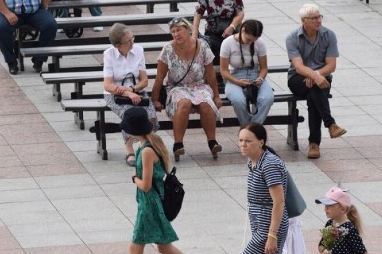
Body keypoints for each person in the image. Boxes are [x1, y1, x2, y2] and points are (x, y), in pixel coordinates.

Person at [98, 106, 211, 254]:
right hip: (148, 205)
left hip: (149, 206)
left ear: (133, 129)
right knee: (164, 248)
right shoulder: (146, 145)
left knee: (137, 248)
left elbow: (147, 185)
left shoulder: (147, 151)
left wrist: (134, 179)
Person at [233, 123, 295, 254]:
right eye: (241, 140)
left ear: (261, 142)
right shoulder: (253, 161)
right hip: (261, 222)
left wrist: (272, 235)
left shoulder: (269, 165)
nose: (243, 144)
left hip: (269, 225)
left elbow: (279, 202)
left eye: (248, 141)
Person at [151, 17, 223, 161]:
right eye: (173, 31)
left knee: (206, 104)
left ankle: (212, 142)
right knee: (184, 103)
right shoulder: (168, 49)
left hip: (199, 85)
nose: (176, 34)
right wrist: (155, 99)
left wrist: (216, 96)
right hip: (177, 87)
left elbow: (210, 74)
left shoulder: (202, 46)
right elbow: (159, 77)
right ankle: (178, 144)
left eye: (179, 30)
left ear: (188, 30)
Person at [286, 4, 347, 159]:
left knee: (315, 92)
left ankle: (314, 144)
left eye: (319, 17)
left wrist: (317, 75)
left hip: (322, 77)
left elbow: (331, 65)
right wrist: (315, 76)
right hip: (298, 78)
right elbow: (298, 66)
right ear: (303, 21)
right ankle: (329, 126)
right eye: (313, 18)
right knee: (316, 88)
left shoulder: (329, 35)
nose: (318, 21)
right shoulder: (292, 38)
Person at [102, 24, 159, 167]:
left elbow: (144, 80)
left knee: (151, 115)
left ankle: (145, 145)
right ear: (118, 46)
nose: (132, 43)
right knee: (130, 114)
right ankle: (130, 151)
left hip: (137, 90)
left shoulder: (138, 50)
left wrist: (132, 89)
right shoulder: (109, 54)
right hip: (115, 95)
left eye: (132, 38)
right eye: (128, 41)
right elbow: (108, 85)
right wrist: (127, 92)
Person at [220, 20, 274, 126]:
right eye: (248, 39)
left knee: (267, 98)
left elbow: (264, 68)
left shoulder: (260, 43)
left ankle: (250, 129)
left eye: (253, 40)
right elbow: (224, 71)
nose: (250, 42)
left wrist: (260, 79)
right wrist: (238, 82)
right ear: (242, 30)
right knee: (238, 100)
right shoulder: (228, 43)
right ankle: (251, 130)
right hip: (234, 76)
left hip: (255, 74)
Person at [193, 0, 245, 69]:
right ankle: (217, 78)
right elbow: (199, 11)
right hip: (213, 29)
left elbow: (240, 13)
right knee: (212, 50)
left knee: (235, 49)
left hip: (231, 27)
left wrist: (232, 27)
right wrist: (194, 31)